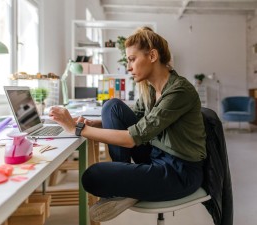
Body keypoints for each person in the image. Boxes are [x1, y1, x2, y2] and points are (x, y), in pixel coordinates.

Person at [49, 27, 207, 222]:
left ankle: (129, 187)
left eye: (132, 59)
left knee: (92, 176)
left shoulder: (179, 91)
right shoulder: (150, 89)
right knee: (111, 106)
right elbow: (139, 121)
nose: (128, 67)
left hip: (179, 172)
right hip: (155, 155)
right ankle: (128, 188)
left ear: (152, 55)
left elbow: (134, 137)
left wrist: (78, 130)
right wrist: (94, 123)